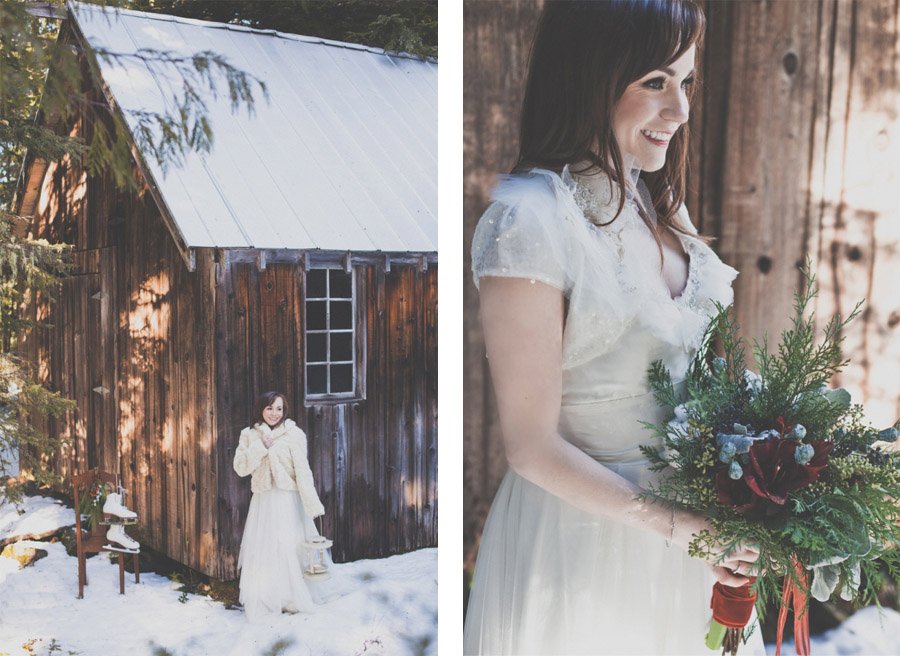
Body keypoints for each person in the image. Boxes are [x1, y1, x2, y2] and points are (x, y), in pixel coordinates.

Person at [464, 1, 765, 654]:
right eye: (655, 81)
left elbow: (699, 371)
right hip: (587, 547)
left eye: (685, 82)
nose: (680, 110)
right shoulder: (530, 223)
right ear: (590, 74)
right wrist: (673, 526)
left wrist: (777, 454)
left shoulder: (659, 205)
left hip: (697, 545)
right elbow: (529, 446)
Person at [233, 391, 330, 621]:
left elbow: (303, 472)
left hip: (288, 499)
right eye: (269, 408)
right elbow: (240, 467)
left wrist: (312, 504)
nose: (274, 414)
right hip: (264, 500)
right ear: (260, 409)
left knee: (289, 544)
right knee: (266, 547)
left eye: (279, 408)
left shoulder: (294, 434)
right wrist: (260, 447)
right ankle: (268, 596)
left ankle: (292, 597)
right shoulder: (249, 435)